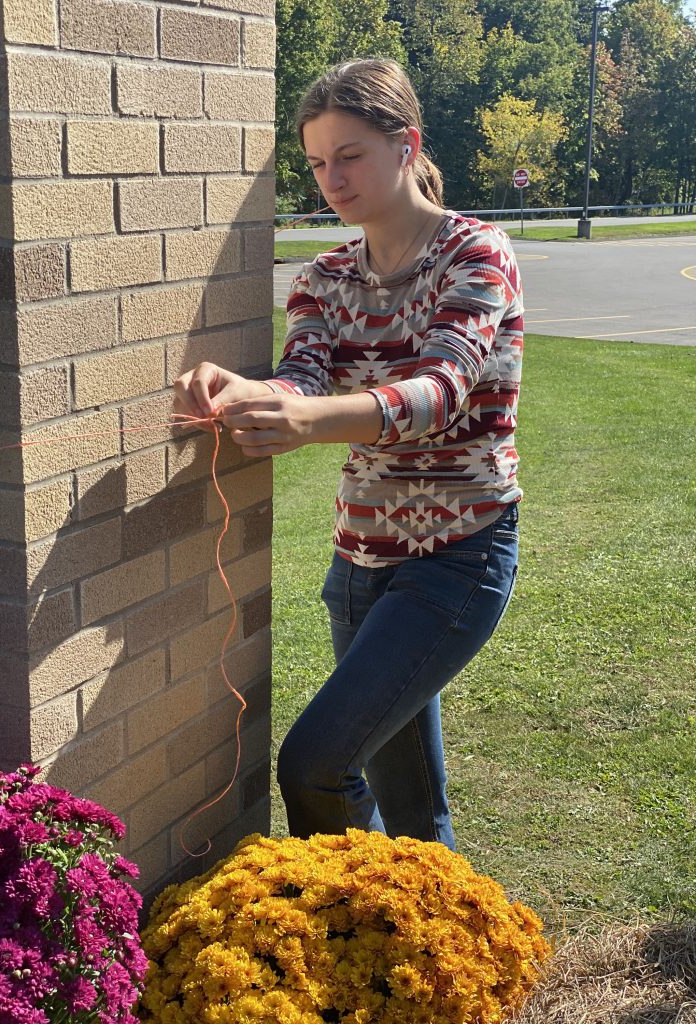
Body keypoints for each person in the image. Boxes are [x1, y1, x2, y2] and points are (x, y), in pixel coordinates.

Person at [173, 58, 523, 851]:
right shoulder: (324, 277)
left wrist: (306, 422)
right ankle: (426, 949)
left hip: (459, 559)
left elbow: (442, 390)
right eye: (318, 162)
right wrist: (240, 387)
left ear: (408, 145)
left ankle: (350, 921)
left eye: (350, 155)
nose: (332, 178)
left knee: (315, 762)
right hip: (359, 561)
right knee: (409, 801)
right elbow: (299, 379)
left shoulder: (475, 254)